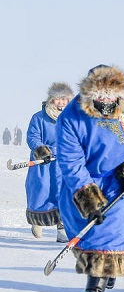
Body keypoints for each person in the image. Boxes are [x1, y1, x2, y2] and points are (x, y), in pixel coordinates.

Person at [56, 65, 124, 292]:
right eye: (100, 95)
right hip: (86, 182)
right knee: (89, 237)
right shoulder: (71, 116)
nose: (106, 100)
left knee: (110, 236)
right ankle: (107, 271)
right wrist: (88, 199)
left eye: (111, 94)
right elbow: (71, 161)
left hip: (121, 183)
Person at [26, 82, 73, 242]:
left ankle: (62, 228)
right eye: (58, 99)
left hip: (62, 163)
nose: (61, 103)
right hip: (43, 164)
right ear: (51, 99)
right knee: (41, 190)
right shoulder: (39, 118)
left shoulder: (71, 118)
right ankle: (37, 221)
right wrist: (41, 150)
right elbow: (33, 137)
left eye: (64, 99)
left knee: (63, 193)